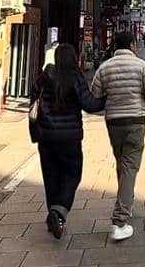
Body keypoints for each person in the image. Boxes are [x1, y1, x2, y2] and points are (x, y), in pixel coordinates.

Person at [31, 42, 105, 239]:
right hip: (69, 137)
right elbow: (89, 104)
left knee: (51, 176)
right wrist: (106, 98)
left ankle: (52, 216)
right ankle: (59, 212)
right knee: (72, 174)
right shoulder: (75, 77)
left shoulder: (44, 77)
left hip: (46, 137)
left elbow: (33, 103)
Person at [90, 30, 145, 241]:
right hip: (136, 121)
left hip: (114, 122)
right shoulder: (141, 66)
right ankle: (120, 221)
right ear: (132, 45)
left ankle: (126, 201)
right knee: (130, 166)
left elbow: (95, 93)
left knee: (122, 162)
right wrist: (144, 106)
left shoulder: (105, 67)